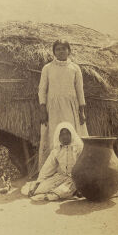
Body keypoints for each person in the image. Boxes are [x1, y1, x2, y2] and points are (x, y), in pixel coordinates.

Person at [38, 39, 88, 168]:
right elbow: (42, 89)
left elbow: (80, 90)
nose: (61, 51)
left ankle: (75, 167)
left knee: (72, 135)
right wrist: (43, 109)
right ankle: (53, 168)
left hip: (71, 108)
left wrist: (82, 111)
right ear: (54, 52)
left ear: (69, 51)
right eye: (58, 49)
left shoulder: (75, 68)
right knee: (54, 134)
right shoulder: (47, 68)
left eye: (63, 49)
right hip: (53, 108)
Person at [21, 122, 83, 201]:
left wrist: (79, 180)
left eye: (67, 133)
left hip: (76, 178)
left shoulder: (78, 148)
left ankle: (73, 190)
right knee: (41, 189)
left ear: (72, 134)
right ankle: (70, 192)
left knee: (62, 191)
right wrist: (37, 184)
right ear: (58, 136)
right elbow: (47, 168)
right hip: (62, 177)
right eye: (62, 134)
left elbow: (85, 166)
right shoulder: (57, 150)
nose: (65, 137)